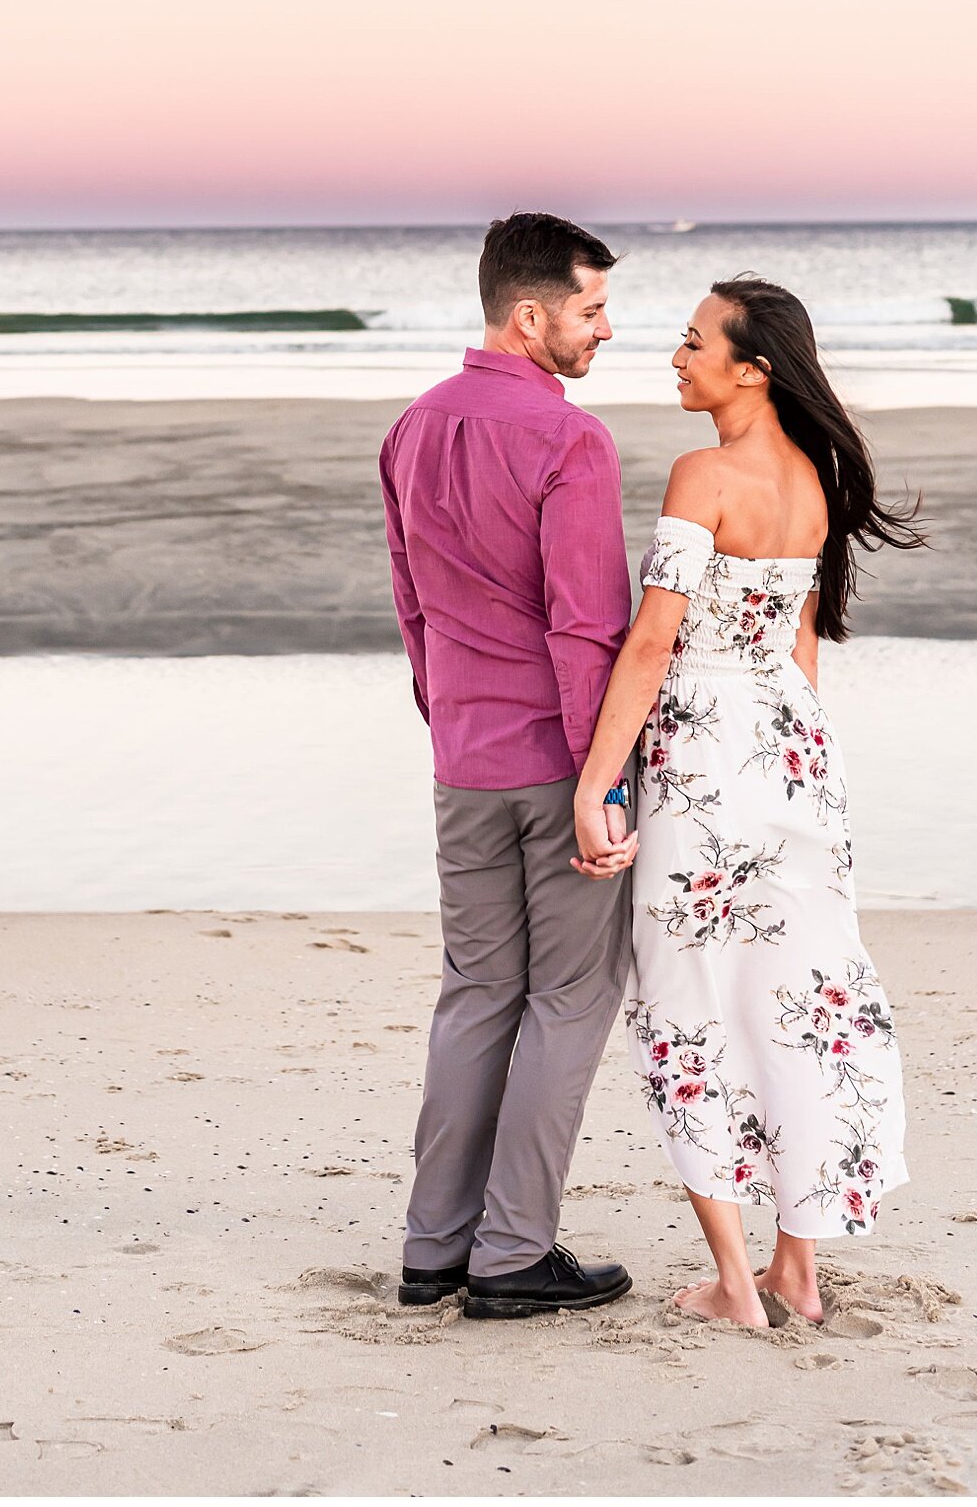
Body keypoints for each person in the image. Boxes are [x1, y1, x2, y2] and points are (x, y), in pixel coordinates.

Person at [572, 275, 923, 1328]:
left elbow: (651, 642)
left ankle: (735, 1280)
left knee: (691, 1005)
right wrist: (802, 760)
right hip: (796, 752)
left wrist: (599, 781)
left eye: (693, 343)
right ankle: (797, 1268)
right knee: (803, 1002)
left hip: (704, 761)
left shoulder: (704, 472)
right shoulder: (816, 480)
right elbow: (803, 642)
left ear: (752, 365)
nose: (675, 357)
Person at [379, 211, 638, 1320]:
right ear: (529, 316)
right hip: (553, 758)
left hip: (464, 759)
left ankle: (433, 1248)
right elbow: (589, 627)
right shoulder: (569, 441)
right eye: (591, 309)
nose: (606, 330)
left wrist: (449, 720)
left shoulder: (411, 427)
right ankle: (513, 1251)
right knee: (573, 995)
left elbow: (411, 606)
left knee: (477, 991)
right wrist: (601, 780)